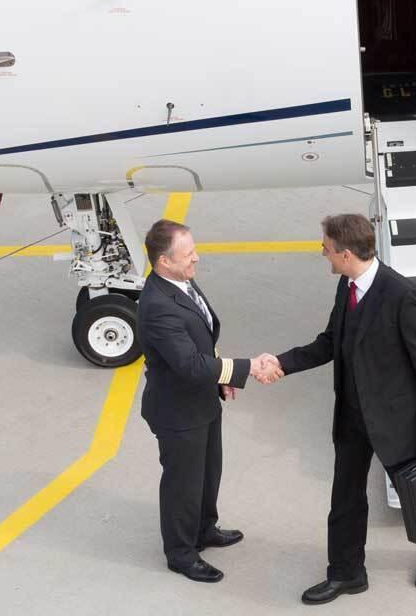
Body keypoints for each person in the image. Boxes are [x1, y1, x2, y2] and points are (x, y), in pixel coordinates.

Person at [254, 213, 416, 605]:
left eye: (326, 248)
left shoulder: (402, 296)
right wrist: (281, 362)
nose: (323, 253)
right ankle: (347, 573)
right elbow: (330, 342)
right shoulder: (347, 286)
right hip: (352, 416)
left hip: (395, 420)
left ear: (345, 253)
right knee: (345, 498)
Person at [136, 219, 273, 583]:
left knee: (209, 473)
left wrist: (222, 377)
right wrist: (245, 367)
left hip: (202, 401)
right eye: (188, 254)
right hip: (178, 412)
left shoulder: (181, 281)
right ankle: (181, 553)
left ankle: (204, 529)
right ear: (164, 261)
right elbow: (190, 364)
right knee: (183, 484)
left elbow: (203, 340)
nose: (196, 258)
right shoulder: (157, 305)